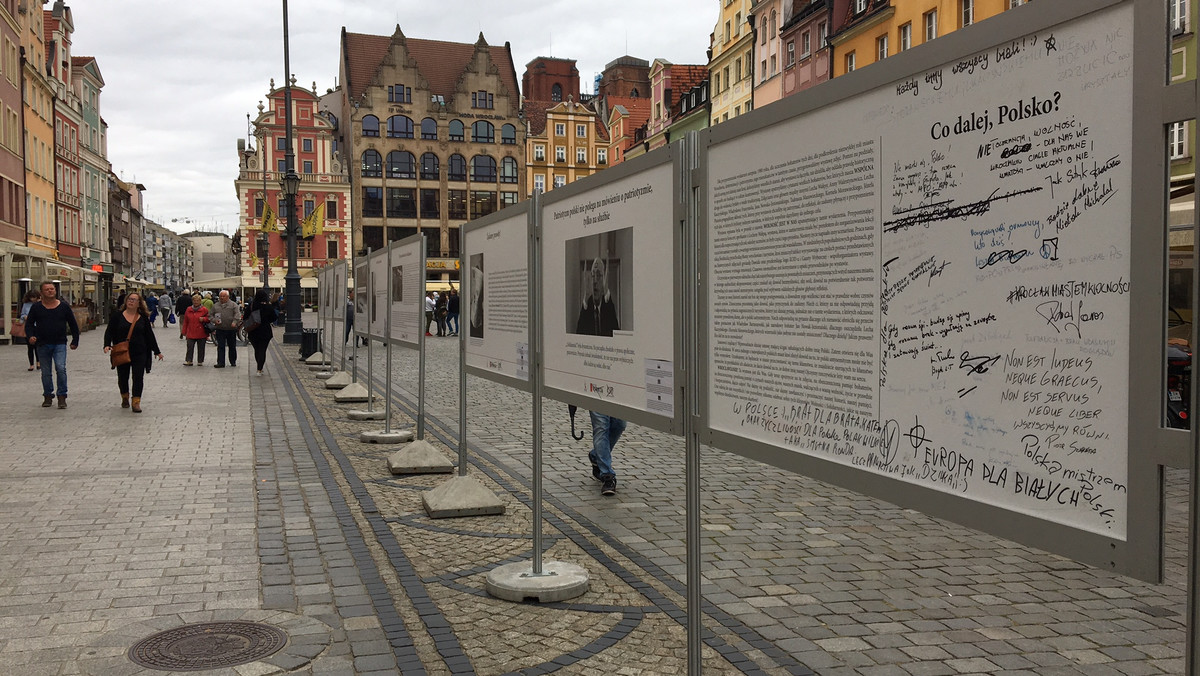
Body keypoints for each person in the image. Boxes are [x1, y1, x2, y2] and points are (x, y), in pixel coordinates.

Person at [575, 258, 623, 496]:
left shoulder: (609, 307)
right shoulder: (584, 310)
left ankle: (596, 455)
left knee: (620, 423)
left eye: (599, 275)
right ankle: (607, 474)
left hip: (613, 377)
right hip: (592, 378)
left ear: (604, 280)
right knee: (601, 426)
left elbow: (616, 334)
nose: (595, 279)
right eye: (592, 275)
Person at [103, 292, 164, 412]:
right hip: (122, 351)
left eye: (134, 300)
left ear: (139, 303)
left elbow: (149, 336)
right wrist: (106, 345)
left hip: (140, 352)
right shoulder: (117, 316)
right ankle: (124, 397)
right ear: (126, 301)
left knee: (138, 377)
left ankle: (136, 402)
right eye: (129, 299)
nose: (131, 301)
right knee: (123, 377)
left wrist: (157, 351)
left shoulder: (142, 318)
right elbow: (109, 331)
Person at [24, 280, 80, 409]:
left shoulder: (63, 306)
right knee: (46, 372)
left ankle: (62, 396)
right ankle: (48, 395)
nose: (50, 291)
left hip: (59, 343)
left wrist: (75, 340)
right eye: (47, 289)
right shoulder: (37, 307)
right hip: (42, 343)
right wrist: (31, 336)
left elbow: (73, 324)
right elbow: (29, 324)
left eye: (52, 289)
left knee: (60, 368)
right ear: (42, 293)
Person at [248, 289, 279, 376]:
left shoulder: (251, 306)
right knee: (262, 349)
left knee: (257, 349)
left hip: (253, 330)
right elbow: (274, 318)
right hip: (265, 331)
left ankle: (259, 365)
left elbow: (245, 317)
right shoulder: (268, 307)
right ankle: (259, 368)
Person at [209, 290, 241, 369]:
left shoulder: (233, 305)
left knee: (232, 346)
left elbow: (237, 314)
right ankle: (220, 362)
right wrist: (214, 320)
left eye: (224, 296)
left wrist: (234, 322)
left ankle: (233, 361)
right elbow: (210, 315)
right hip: (220, 329)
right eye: (221, 296)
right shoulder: (215, 306)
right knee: (220, 346)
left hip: (231, 329)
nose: (222, 298)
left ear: (228, 297)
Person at [181, 293, 210, 366]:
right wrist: (184, 331)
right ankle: (189, 360)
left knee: (201, 348)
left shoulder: (204, 310)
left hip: (201, 332)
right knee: (190, 347)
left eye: (197, 300)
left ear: (200, 301)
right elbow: (186, 321)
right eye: (194, 300)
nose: (196, 302)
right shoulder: (189, 309)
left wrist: (204, 319)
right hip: (191, 331)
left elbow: (209, 318)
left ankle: (200, 361)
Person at [18, 290, 39, 371]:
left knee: (37, 345)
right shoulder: (26, 305)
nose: (33, 299)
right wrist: (24, 317)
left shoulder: (39, 304)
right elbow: (22, 314)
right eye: (31, 297)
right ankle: (31, 364)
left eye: (34, 297)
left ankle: (38, 362)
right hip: (29, 326)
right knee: (30, 346)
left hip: (38, 326)